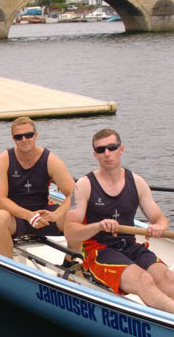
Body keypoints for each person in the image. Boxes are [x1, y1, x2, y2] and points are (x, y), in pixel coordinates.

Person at [64, 129, 174, 313]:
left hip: (131, 246)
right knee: (143, 279)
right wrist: (98, 226)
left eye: (111, 147)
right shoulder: (84, 185)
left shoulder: (137, 182)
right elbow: (70, 230)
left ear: (121, 149)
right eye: (101, 150)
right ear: (95, 155)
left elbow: (159, 218)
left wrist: (159, 227)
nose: (107, 153)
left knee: (166, 278)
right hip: (99, 252)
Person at [0, 116, 80, 261]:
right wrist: (28, 215)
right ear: (13, 139)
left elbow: (75, 194)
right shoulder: (3, 160)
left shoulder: (50, 159)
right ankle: (8, 264)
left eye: (29, 135)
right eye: (19, 137)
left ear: (36, 135)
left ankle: (71, 263)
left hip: (44, 215)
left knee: (77, 213)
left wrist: (56, 214)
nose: (24, 139)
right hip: (16, 217)